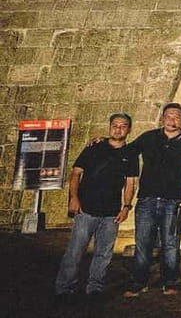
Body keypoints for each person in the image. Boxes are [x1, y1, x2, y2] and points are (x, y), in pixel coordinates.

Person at [54, 113, 138, 298]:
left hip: (111, 213)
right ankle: (65, 287)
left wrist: (126, 207)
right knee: (75, 251)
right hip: (86, 209)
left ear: (129, 130)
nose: (118, 129)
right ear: (109, 127)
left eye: (123, 126)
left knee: (104, 253)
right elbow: (76, 173)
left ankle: (95, 287)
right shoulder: (94, 147)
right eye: (115, 125)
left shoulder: (130, 154)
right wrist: (73, 198)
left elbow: (130, 183)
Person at [124, 103, 181, 297]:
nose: (172, 120)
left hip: (172, 200)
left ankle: (169, 280)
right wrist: (104, 141)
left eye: (176, 117)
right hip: (147, 198)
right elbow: (126, 151)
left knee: (171, 242)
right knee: (143, 242)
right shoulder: (149, 137)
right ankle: (139, 281)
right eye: (169, 116)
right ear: (163, 118)